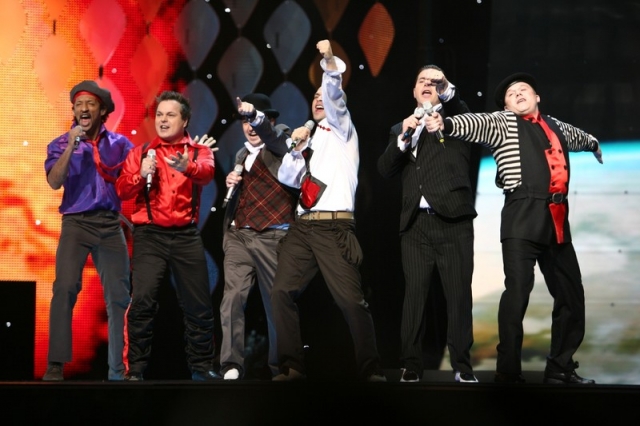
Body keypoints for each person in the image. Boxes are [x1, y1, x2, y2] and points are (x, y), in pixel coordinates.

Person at [425, 72, 602, 384]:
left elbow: (578, 137)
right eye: (511, 93)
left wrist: (593, 144)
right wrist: (446, 124)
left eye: (524, 90)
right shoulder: (503, 122)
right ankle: (508, 370)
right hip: (522, 215)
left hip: (556, 220)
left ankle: (560, 367)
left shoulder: (555, 126)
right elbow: (474, 123)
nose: (518, 94)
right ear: (506, 105)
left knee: (571, 296)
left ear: (537, 97)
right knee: (518, 292)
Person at [270, 39, 386, 382]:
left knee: (350, 301)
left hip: (334, 228)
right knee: (281, 292)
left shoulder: (341, 129)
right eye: (315, 97)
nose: (319, 99)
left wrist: (329, 58)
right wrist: (297, 149)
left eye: (324, 96)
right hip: (303, 227)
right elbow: (288, 179)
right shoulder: (311, 138)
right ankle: (292, 366)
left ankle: (370, 368)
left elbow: (333, 93)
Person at [377, 66, 478, 383]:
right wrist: (403, 138)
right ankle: (411, 365)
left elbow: (457, 103)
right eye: (421, 80)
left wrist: (446, 88)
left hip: (453, 221)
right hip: (415, 225)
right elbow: (384, 169)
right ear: (413, 90)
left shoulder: (457, 120)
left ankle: (462, 367)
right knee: (415, 296)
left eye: (434, 82)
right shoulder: (401, 128)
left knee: (458, 295)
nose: (427, 84)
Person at [115, 90, 220, 381]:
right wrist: (140, 175)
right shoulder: (141, 152)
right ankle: (135, 370)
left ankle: (202, 368)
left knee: (198, 304)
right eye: (159, 115)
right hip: (150, 235)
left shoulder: (198, 151)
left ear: (184, 121)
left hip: (186, 236)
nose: (162, 120)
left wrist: (187, 166)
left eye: (170, 115)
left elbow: (206, 173)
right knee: (143, 301)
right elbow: (122, 190)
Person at [43, 80, 132, 381]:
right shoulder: (60, 143)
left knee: (119, 296)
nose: (83, 109)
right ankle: (56, 364)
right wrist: (71, 145)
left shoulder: (120, 144)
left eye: (90, 104)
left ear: (102, 110)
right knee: (65, 288)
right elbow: (54, 182)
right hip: (76, 224)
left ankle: (118, 371)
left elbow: (133, 178)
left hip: (109, 225)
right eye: (78, 104)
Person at [218, 93, 296, 380]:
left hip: (272, 236)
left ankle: (282, 366)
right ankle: (231, 364)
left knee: (275, 302)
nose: (249, 128)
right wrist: (232, 183)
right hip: (239, 234)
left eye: (253, 121)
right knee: (232, 298)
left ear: (269, 121)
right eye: (244, 122)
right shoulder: (241, 154)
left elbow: (272, 136)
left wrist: (255, 116)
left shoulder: (280, 143)